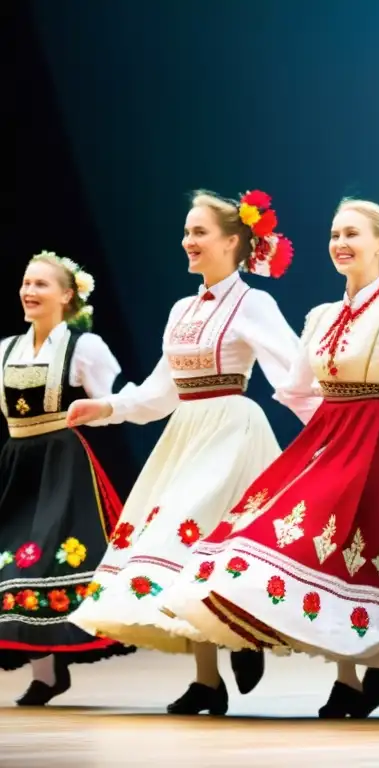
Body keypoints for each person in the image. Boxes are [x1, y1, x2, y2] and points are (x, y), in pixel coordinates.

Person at [161, 199, 379, 719]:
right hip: (332, 441)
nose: (340, 244)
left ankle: (357, 676)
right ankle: (336, 670)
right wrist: (325, 433)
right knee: (297, 548)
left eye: (351, 234)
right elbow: (298, 389)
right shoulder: (322, 317)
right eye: (333, 235)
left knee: (354, 556)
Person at [65, 190, 311, 714]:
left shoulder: (253, 303)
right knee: (180, 550)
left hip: (234, 432)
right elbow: (159, 392)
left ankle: (243, 636)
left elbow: (293, 372)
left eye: (199, 232)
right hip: (188, 434)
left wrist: (330, 428)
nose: (188, 241)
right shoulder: (182, 309)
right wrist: (105, 407)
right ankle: (207, 680)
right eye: (186, 232)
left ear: (233, 241)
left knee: (208, 539)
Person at [0, 252, 132, 706]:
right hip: (16, 463)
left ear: (66, 295)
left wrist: (94, 415)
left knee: (43, 559)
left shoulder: (83, 348)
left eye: (40, 284)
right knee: (11, 557)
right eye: (25, 282)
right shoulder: (5, 349)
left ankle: (47, 671)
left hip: (62, 464)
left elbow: (112, 404)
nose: (29, 291)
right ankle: (46, 671)